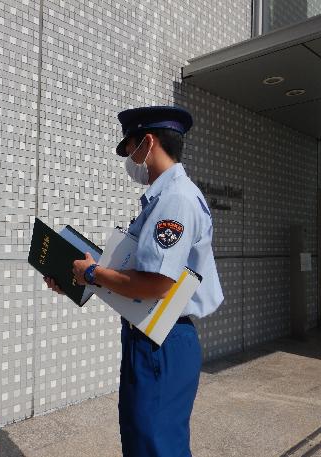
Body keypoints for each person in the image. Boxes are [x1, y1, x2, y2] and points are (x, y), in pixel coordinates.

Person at [45, 106, 224, 457]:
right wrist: (82, 274)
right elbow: (136, 271)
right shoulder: (166, 197)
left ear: (148, 141)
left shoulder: (175, 199)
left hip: (163, 339)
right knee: (142, 438)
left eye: (130, 148)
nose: (128, 158)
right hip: (151, 334)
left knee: (155, 444)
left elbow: (156, 283)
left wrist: (93, 274)